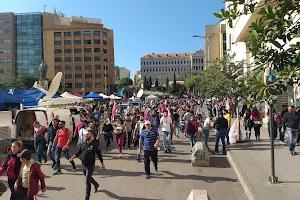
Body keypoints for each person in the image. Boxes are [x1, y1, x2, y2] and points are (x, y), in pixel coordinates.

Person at [69, 129, 105, 200]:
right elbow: (79, 152)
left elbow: (99, 154)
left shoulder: (95, 144)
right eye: (86, 134)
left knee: (87, 181)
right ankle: (96, 184)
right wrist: (72, 157)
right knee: (88, 178)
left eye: (87, 134)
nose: (86, 135)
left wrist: (102, 163)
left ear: (91, 135)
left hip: (90, 165)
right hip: (83, 165)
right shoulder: (84, 143)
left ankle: (87, 197)